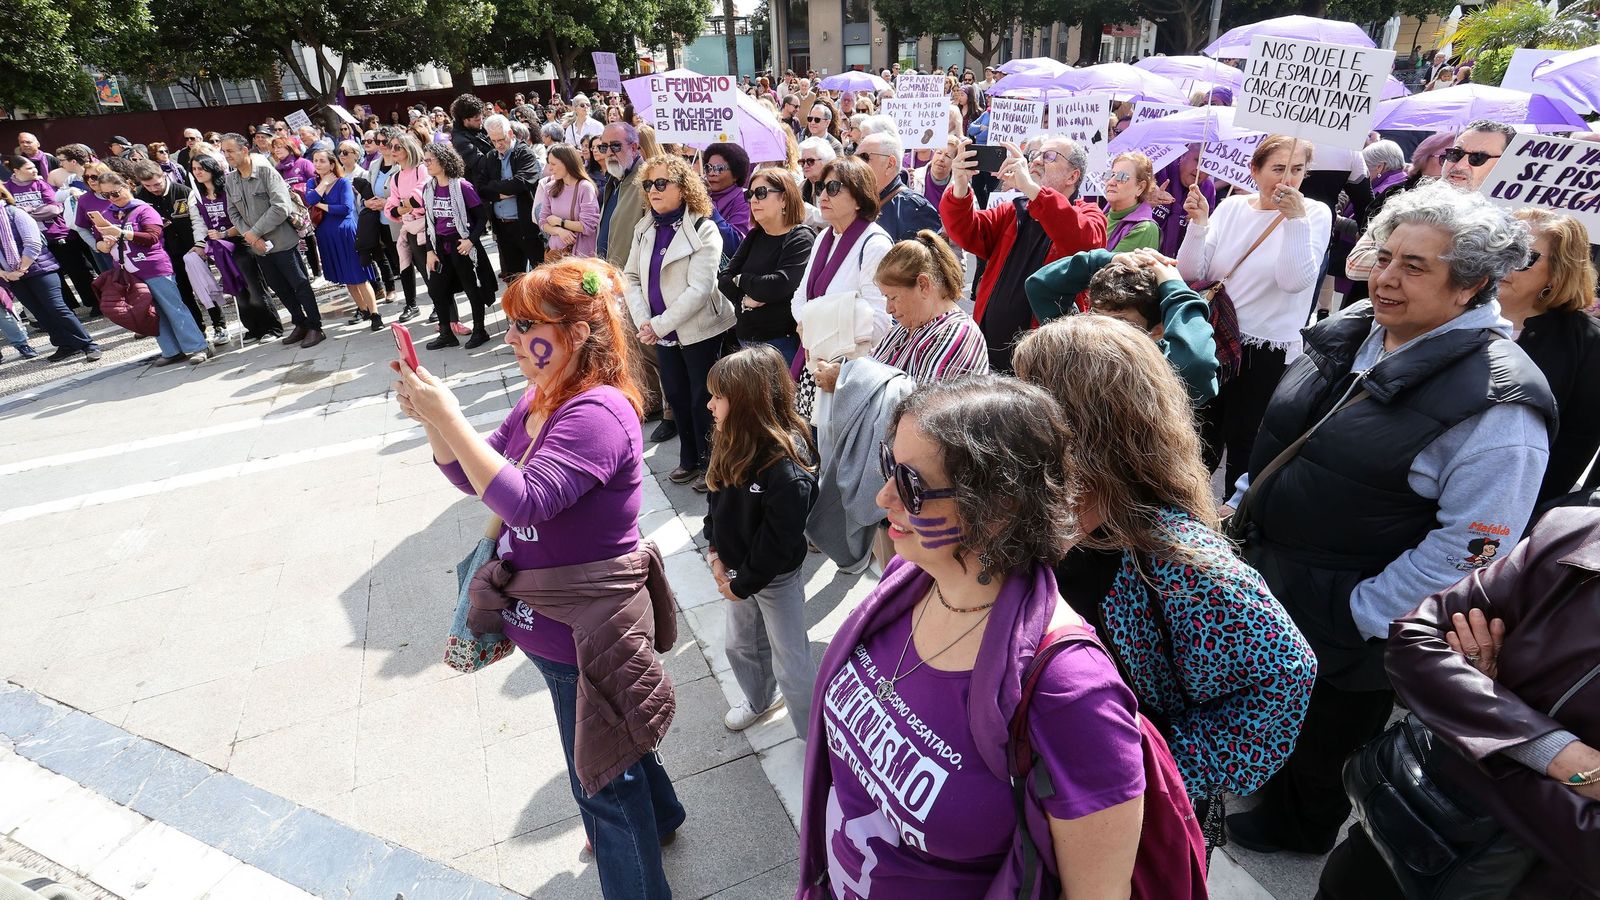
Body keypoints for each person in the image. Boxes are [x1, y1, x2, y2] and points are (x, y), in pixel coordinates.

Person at [1221, 180, 1557, 857]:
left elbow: (1473, 546)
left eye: (1414, 266)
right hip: (1280, 583)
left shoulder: (1500, 405)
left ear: (1470, 287)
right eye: (1385, 255)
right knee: (1277, 721)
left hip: (1351, 624)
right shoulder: (1355, 334)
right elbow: (1294, 435)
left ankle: (1302, 827)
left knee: (1322, 745)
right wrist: (1242, 502)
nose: (1385, 277)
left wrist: (1364, 614)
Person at [796, 376, 1188, 899]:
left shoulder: (1073, 695)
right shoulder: (907, 582)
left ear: (998, 507)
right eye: (889, 466)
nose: (882, 495)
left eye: (910, 485)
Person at [394, 259, 685, 900]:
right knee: (611, 734)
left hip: (585, 623)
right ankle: (660, 817)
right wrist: (437, 424)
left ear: (578, 332)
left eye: (526, 325)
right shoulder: (542, 395)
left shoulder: (598, 411)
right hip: (556, 617)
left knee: (601, 779)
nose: (511, 337)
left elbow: (524, 501)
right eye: (511, 324)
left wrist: (451, 417)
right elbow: (471, 478)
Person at [1012, 314, 1316, 841]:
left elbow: (1283, 677)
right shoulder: (1044, 507)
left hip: (1127, 824)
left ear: (1078, 419)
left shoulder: (1172, 553)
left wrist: (1141, 772)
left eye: (1025, 397)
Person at [1318, 505, 1600, 899]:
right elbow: (1414, 639)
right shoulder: (1574, 534)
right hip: (1397, 834)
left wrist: (1466, 713)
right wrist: (1559, 756)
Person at [1176, 134, 1334, 488]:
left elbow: (1294, 281)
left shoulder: (1315, 214)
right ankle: (1185, 517)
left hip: (1267, 351)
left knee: (1247, 445)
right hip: (1215, 339)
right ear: (1254, 170)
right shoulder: (1232, 208)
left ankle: (1231, 527)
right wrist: (1199, 224)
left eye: (1297, 170)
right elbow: (1191, 273)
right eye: (1278, 168)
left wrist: (1295, 220)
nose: (1287, 179)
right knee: (1199, 437)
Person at [703, 345, 820, 737]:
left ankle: (812, 734)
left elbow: (778, 540)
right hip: (736, 571)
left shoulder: (786, 467)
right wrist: (715, 550)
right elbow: (715, 495)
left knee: (791, 659)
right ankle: (759, 698)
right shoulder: (728, 437)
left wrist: (743, 583)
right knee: (739, 644)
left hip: (775, 577)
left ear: (749, 403)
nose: (709, 405)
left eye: (719, 397)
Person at [942, 135, 1107, 372]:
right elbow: (966, 232)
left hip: (1043, 360)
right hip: (988, 353)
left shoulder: (1089, 214)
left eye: (1049, 156)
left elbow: (1083, 241)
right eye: (1035, 155)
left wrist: (1032, 189)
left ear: (1073, 176)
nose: (1037, 161)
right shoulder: (1014, 210)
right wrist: (959, 185)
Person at [622, 154, 731, 490]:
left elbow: (700, 289)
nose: (653, 190)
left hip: (698, 332)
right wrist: (645, 321)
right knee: (677, 397)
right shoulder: (645, 227)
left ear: (683, 189)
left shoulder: (703, 227)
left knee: (704, 399)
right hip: (661, 332)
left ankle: (712, 464)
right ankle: (689, 458)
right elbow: (631, 277)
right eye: (648, 184)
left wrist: (659, 324)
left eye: (661, 183)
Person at [1027, 247, 1220, 404]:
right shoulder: (1076, 349)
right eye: (1095, 316)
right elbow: (1040, 287)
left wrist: (1176, 288)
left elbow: (1197, 364)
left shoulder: (1159, 375)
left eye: (1120, 322)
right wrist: (1108, 259)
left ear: (1157, 331)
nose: (1102, 328)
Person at [1498, 209, 1600, 504]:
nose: (1504, 262)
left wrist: (1527, 518)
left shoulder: (1588, 344)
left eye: (1522, 256)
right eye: (1500, 247)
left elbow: (1573, 446)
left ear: (1558, 271)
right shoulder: (1452, 309)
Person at [792, 156, 893, 417]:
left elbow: (879, 320)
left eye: (834, 188)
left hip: (848, 371)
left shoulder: (875, 244)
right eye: (822, 187)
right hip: (813, 363)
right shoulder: (824, 236)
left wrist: (814, 325)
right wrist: (826, 320)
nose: (823, 194)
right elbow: (799, 298)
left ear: (859, 198)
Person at [219, 133, 326, 349]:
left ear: (244, 150)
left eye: (230, 150)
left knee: (299, 284)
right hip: (258, 247)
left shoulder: (266, 172)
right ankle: (300, 322)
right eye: (224, 151)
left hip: (282, 241)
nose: (226, 155)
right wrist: (249, 235)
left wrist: (254, 233)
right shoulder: (231, 180)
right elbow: (233, 212)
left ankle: (315, 326)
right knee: (279, 288)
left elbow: (280, 207)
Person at [89, 173, 209, 365]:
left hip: (154, 267)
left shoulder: (144, 210)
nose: (112, 198)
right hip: (129, 271)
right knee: (149, 312)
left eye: (115, 192)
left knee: (174, 308)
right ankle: (171, 350)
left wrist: (122, 233)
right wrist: (104, 244)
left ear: (128, 186)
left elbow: (152, 237)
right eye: (105, 195)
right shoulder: (106, 214)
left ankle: (197, 347)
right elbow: (98, 243)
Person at [596, 122, 667, 432]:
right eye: (603, 147)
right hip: (614, 277)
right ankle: (649, 401)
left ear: (635, 147)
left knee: (649, 345)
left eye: (616, 146)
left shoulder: (645, 182)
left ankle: (669, 408)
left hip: (635, 279)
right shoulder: (615, 179)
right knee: (631, 344)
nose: (609, 153)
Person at [856, 230, 988, 385]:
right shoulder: (905, 328)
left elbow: (921, 406)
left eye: (893, 298)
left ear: (923, 285)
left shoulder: (957, 335)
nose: (888, 309)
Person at [717, 169, 815, 365]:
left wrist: (742, 279)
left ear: (784, 199)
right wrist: (745, 300)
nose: (753, 200)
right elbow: (724, 279)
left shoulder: (800, 238)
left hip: (780, 345)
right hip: (745, 341)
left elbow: (779, 284)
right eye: (750, 194)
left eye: (761, 193)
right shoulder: (755, 235)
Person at [0, 185, 101, 362]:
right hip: (11, 275)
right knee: (39, 312)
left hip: (39, 268)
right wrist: (5, 274)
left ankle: (88, 344)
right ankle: (65, 344)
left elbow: (32, 243)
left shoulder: (15, 213)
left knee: (57, 307)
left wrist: (21, 269)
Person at [131, 159, 226, 345]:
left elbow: (198, 221)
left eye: (156, 184)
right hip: (165, 254)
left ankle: (219, 325)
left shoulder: (183, 192)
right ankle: (198, 329)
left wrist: (200, 244)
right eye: (147, 185)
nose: (153, 189)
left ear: (163, 175)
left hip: (191, 249)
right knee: (183, 293)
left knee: (204, 288)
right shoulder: (140, 197)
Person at [191, 153, 281, 343]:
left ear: (211, 169)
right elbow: (199, 223)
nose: (198, 172)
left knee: (254, 286)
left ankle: (271, 327)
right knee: (237, 289)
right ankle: (253, 328)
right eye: (194, 169)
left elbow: (243, 217)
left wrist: (225, 234)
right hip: (219, 248)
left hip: (240, 243)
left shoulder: (228, 189)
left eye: (201, 168)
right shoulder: (198, 195)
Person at [419, 143, 493, 350]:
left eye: (429, 160)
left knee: (472, 289)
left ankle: (480, 330)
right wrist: (429, 251)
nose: (426, 164)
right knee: (436, 289)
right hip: (440, 247)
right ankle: (446, 333)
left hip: (462, 245)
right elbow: (429, 222)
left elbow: (481, 217)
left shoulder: (462, 186)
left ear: (443, 161)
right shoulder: (428, 188)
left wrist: (471, 241)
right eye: (425, 160)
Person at [4, 155, 98, 316]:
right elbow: (10, 213)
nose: (34, 170)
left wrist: (24, 213)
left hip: (58, 234)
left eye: (34, 167)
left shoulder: (41, 183)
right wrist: (33, 211)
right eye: (29, 168)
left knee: (78, 270)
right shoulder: (8, 188)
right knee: (54, 276)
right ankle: (67, 308)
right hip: (32, 240)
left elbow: (54, 208)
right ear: (16, 171)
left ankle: (94, 302)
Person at [305, 149, 380, 330]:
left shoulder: (343, 182)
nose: (317, 164)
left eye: (322, 161)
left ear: (332, 164)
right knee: (346, 276)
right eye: (315, 161)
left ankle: (375, 314)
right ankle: (362, 310)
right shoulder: (312, 182)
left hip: (346, 234)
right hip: (326, 235)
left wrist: (320, 204)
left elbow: (345, 209)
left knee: (359, 275)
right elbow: (309, 198)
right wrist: (323, 185)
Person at [449, 93, 501, 303]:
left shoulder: (476, 132)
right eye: (477, 120)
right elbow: (479, 163)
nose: (481, 122)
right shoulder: (461, 139)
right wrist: (499, 148)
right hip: (479, 196)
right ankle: (485, 288)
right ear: (465, 120)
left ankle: (489, 285)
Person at [481, 114, 542, 279]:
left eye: (501, 139)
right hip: (502, 227)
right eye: (493, 141)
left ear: (510, 134)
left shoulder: (524, 153)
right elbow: (482, 188)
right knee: (514, 277)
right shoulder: (491, 157)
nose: (498, 144)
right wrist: (503, 192)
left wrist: (496, 189)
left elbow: (521, 182)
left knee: (539, 274)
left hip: (526, 225)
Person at [856, 131, 940, 243]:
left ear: (890, 164)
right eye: (856, 157)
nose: (857, 164)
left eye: (864, 157)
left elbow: (926, 259)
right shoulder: (854, 199)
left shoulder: (915, 210)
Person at [535, 145, 600, 260]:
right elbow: (543, 221)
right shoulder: (550, 187)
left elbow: (588, 226)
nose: (550, 168)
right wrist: (558, 231)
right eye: (549, 163)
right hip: (556, 255)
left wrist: (560, 222)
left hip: (580, 257)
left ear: (567, 163)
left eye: (554, 164)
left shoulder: (585, 187)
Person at [1103, 151, 1162, 252]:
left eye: (1121, 177)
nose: (1111, 182)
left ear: (1140, 187)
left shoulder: (1144, 229)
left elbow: (1105, 266)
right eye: (1110, 175)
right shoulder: (1101, 215)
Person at [703, 142, 752, 241]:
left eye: (719, 169)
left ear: (736, 174)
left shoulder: (744, 199)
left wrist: (705, 204)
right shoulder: (699, 193)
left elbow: (735, 242)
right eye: (708, 168)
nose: (711, 173)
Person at [797, 137, 836, 208]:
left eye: (810, 161)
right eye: (802, 162)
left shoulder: (834, 188)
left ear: (825, 161)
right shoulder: (801, 187)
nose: (805, 165)